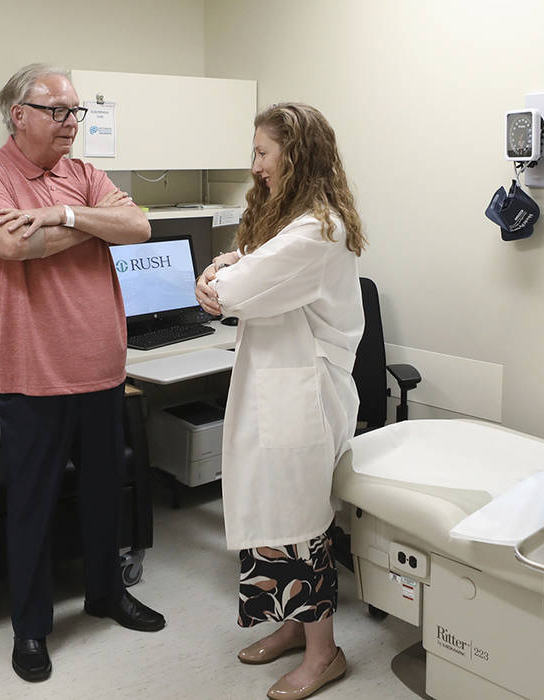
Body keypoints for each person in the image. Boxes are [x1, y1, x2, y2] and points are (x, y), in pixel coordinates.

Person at [0, 63, 165, 683]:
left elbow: (140, 226)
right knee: (33, 507)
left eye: (77, 112)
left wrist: (63, 217)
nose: (73, 123)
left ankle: (105, 592)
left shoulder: (83, 173)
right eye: (59, 111)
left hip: (100, 364)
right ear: (20, 114)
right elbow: (14, 246)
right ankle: (31, 630)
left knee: (105, 493)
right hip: (27, 372)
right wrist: (92, 224)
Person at [195, 103, 366, 700]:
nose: (256, 165)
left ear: (294, 155)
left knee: (298, 524)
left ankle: (325, 654)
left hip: (303, 397)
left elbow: (234, 289)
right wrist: (227, 269)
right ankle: (294, 627)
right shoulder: (298, 224)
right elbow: (244, 270)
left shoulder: (317, 231)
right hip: (277, 386)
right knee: (272, 513)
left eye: (264, 153)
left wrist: (221, 274)